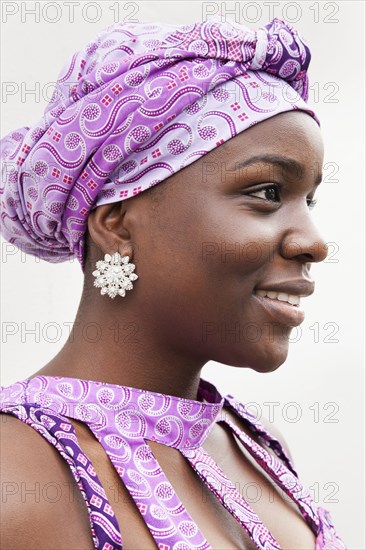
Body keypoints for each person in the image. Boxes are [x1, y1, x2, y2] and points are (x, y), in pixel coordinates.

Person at [0, 17, 347, 550]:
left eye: (310, 201)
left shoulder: (255, 447)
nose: (313, 242)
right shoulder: (16, 477)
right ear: (115, 223)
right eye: (268, 192)